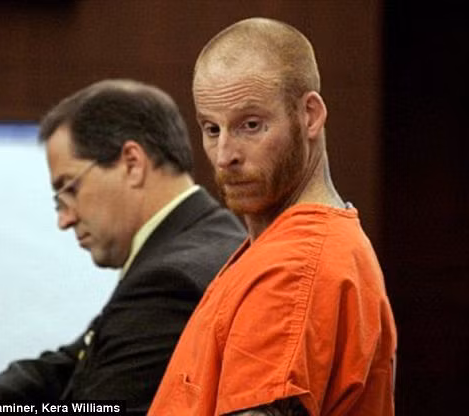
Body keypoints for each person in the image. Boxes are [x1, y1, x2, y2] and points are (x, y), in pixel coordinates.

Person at [0, 79, 246, 415]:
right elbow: (82, 356)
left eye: (69, 189)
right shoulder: (212, 235)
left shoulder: (169, 281)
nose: (65, 219)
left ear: (132, 163)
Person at [149, 18, 397, 416]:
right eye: (211, 129)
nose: (225, 155)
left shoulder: (292, 267)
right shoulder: (298, 249)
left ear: (310, 116)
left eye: (251, 125)